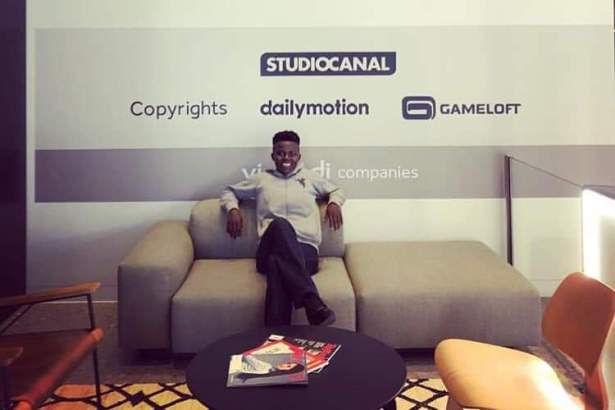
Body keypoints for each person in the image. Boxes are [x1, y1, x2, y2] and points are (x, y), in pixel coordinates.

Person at [220, 130, 345, 326]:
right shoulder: (261, 179)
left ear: (299, 156)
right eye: (280, 153)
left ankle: (275, 337)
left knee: (276, 265)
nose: (286, 158)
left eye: (292, 154)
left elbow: (337, 190)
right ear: (273, 156)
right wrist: (233, 209)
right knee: (280, 224)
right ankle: (311, 301)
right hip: (268, 247)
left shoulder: (311, 178)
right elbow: (229, 191)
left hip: (305, 252)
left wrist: (334, 202)